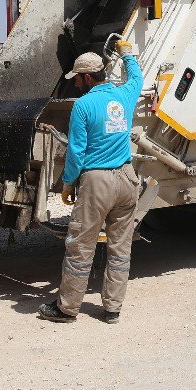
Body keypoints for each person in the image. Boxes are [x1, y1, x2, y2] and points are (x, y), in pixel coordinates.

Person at [39, 42, 143, 324]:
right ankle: (112, 309)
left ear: (87, 78)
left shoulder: (83, 105)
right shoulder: (124, 95)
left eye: (78, 80)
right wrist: (128, 54)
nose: (76, 85)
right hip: (126, 178)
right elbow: (137, 78)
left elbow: (77, 151)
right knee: (120, 248)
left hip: (97, 182)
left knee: (81, 246)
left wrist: (68, 183)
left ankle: (67, 308)